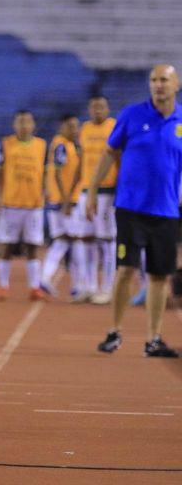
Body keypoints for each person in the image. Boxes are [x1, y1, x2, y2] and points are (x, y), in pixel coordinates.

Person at [94, 65, 182, 358]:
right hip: (131, 207)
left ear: (176, 85)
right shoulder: (132, 114)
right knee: (125, 270)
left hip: (167, 211)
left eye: (164, 80)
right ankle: (114, 332)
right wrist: (92, 190)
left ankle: (153, 339)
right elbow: (110, 152)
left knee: (159, 276)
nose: (159, 85)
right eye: (154, 80)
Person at [0, 110, 47, 301]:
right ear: (14, 125)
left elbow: (46, 173)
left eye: (27, 122)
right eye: (20, 122)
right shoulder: (5, 145)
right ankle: (3, 286)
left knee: (33, 246)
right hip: (10, 203)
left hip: (34, 205)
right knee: (6, 246)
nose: (24, 126)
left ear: (33, 125)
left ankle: (34, 287)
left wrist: (46, 193)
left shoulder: (41, 145)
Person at [72, 96, 118, 304]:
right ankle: (89, 286)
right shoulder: (84, 129)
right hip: (85, 191)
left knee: (107, 240)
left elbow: (120, 158)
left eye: (101, 106)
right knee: (85, 239)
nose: (97, 110)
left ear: (108, 108)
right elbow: (80, 162)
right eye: (94, 107)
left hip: (107, 191)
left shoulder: (114, 127)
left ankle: (108, 287)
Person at [39, 114, 81, 295]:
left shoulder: (67, 145)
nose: (75, 130)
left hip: (59, 200)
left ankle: (50, 279)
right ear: (62, 126)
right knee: (72, 241)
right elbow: (57, 174)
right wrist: (66, 200)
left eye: (76, 126)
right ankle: (78, 285)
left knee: (64, 242)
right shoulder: (62, 145)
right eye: (71, 126)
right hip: (64, 202)